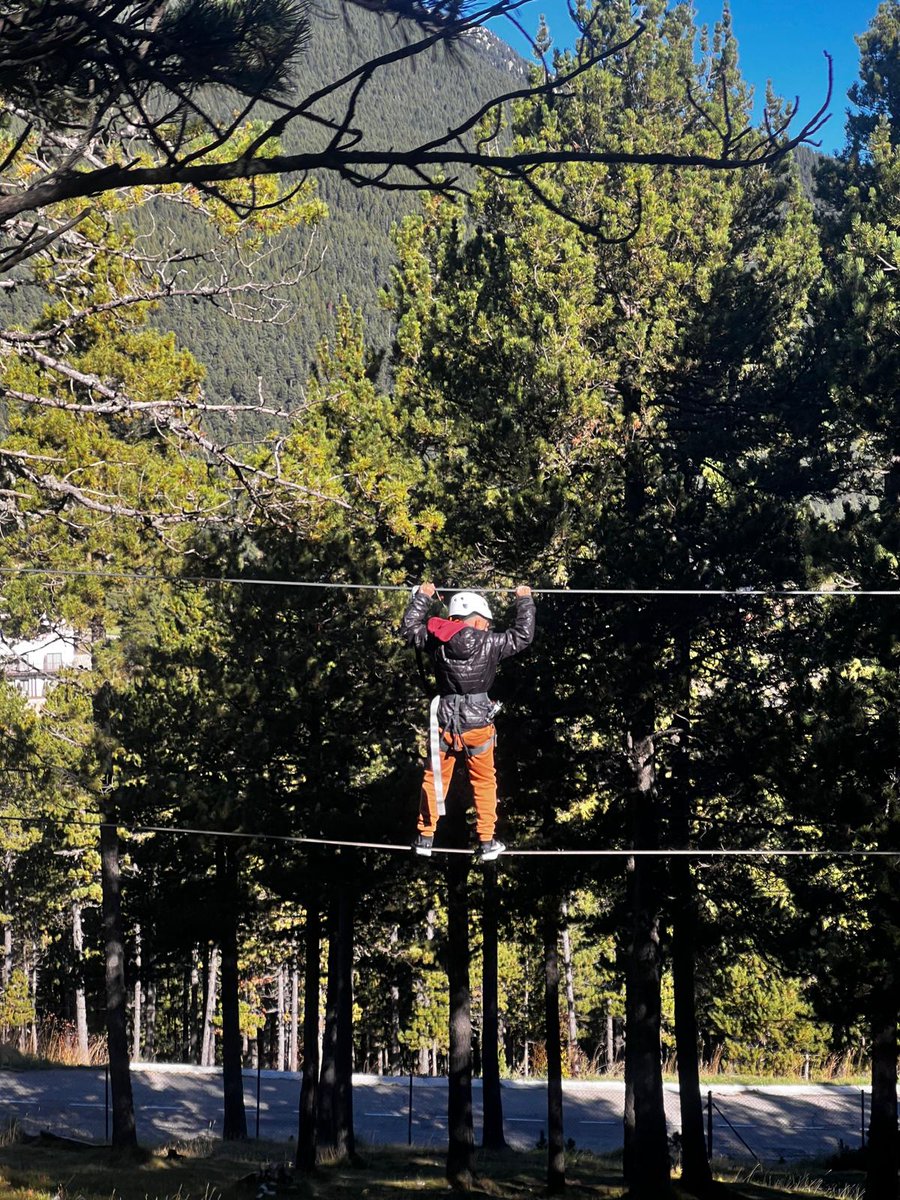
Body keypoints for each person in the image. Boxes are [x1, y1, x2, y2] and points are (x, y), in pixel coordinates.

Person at [400, 582, 536, 862]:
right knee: (485, 782)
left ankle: (425, 837)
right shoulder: (490, 643)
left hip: (445, 723)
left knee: (434, 778)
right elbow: (523, 636)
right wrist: (524, 601)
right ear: (474, 618)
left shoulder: (436, 639)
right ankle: (486, 842)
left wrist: (423, 597)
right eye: (484, 623)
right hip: (477, 725)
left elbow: (410, 628)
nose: (486, 628)